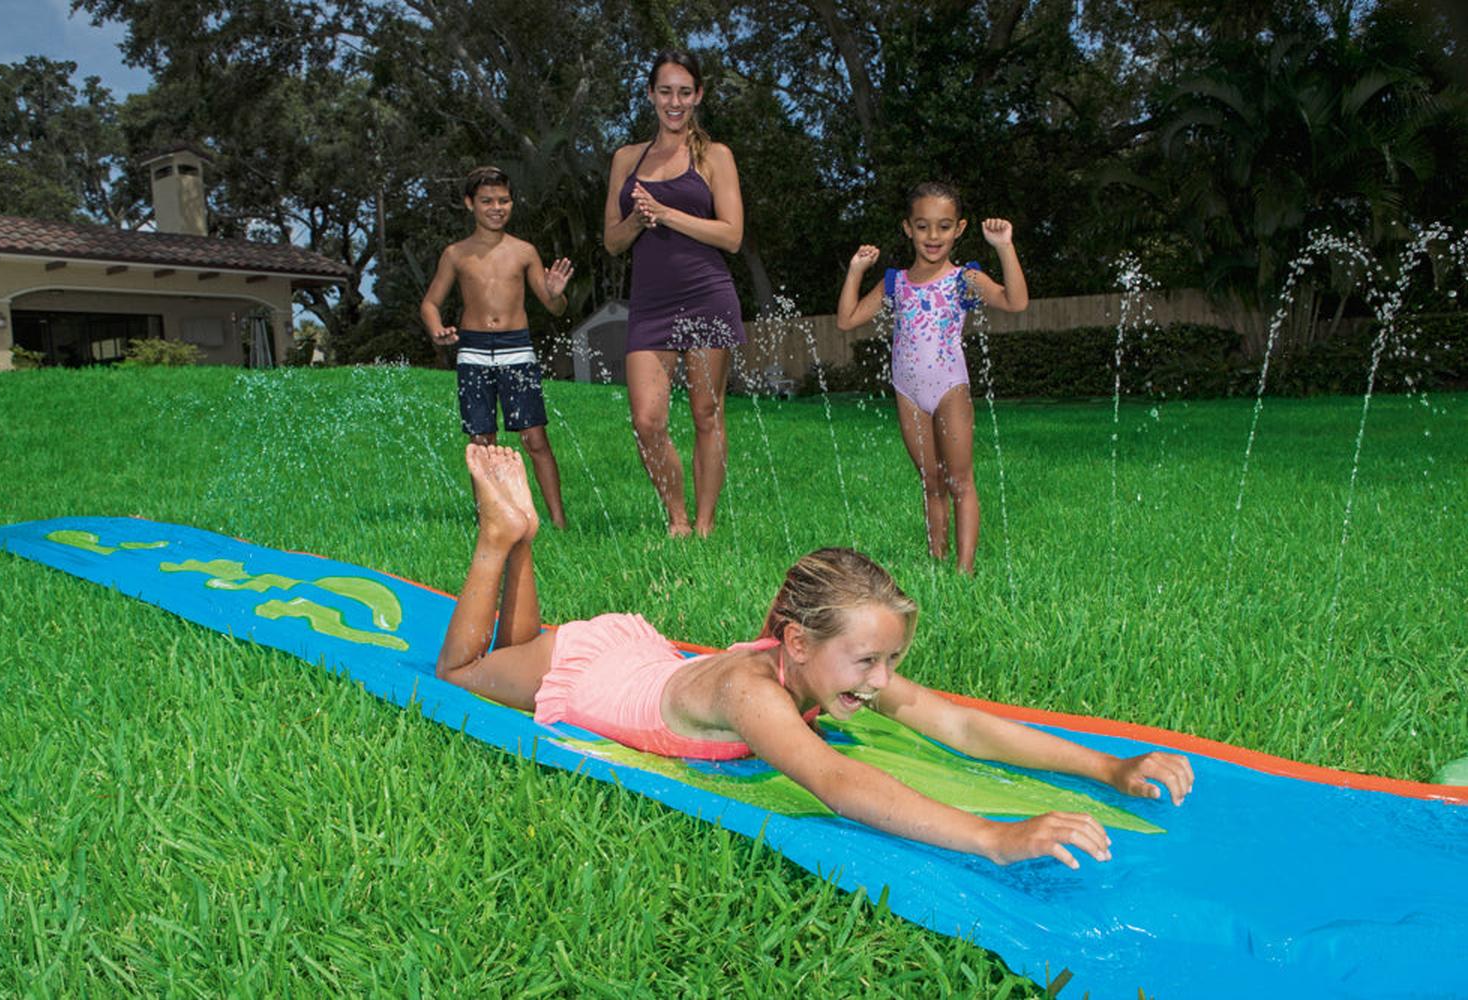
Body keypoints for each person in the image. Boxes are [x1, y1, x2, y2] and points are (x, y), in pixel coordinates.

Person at [438, 443, 1195, 868]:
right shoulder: (751, 693)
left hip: (644, 657)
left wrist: (1108, 767)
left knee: (517, 649)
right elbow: (836, 780)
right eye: (868, 662)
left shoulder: (831, 666)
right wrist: (993, 837)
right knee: (463, 675)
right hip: (597, 674)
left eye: (890, 661)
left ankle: (523, 536)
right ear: (798, 643)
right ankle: (500, 537)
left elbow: (961, 726)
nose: (884, 681)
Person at [836, 182, 1029, 574]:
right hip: (908, 391)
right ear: (908, 228)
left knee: (960, 480)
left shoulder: (964, 279)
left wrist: (1004, 247)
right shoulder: (896, 282)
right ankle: (936, 559)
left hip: (949, 388)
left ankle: (964, 569)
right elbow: (847, 320)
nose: (933, 236)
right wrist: (855, 271)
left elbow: (1016, 301)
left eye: (943, 226)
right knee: (931, 480)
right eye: (923, 226)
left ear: (959, 228)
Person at [602, 50, 746, 538]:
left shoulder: (714, 156)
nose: (675, 101)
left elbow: (731, 235)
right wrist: (637, 220)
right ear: (650, 95)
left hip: (707, 294)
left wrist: (665, 213)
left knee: (707, 412)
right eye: (665, 91)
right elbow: (612, 242)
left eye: (685, 92)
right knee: (646, 420)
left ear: (698, 95)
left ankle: (703, 525)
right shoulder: (626, 159)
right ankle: (677, 518)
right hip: (651, 304)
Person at [421, 165, 574, 529]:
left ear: (512, 203)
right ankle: (489, 521)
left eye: (503, 200)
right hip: (473, 352)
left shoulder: (524, 252)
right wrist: (436, 329)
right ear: (469, 203)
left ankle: (559, 521)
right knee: (482, 441)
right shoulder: (456, 254)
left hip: (516, 348)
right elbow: (429, 303)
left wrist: (555, 294)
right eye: (487, 201)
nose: (496, 208)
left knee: (534, 438)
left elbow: (555, 307)